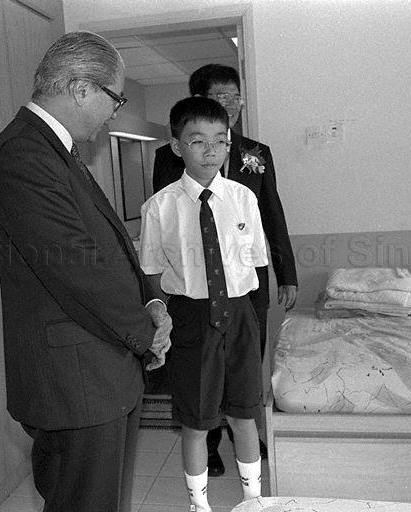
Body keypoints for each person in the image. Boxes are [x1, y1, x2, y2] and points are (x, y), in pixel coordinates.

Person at [0, 31, 172, 512]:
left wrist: (149, 303)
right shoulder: (24, 154)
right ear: (82, 88)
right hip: (77, 380)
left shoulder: (55, 150)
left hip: (98, 370)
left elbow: (104, 252)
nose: (115, 112)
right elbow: (76, 270)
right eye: (116, 98)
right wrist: (144, 333)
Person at [152, 63, 298, 476]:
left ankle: (242, 427)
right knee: (202, 367)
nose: (230, 105)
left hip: (246, 277)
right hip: (197, 282)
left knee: (245, 358)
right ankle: (209, 440)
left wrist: (287, 273)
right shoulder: (169, 155)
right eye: (220, 97)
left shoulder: (257, 153)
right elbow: (167, 216)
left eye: (235, 97)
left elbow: (273, 214)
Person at [139, 97, 268, 512]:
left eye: (220, 141)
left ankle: (253, 500)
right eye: (198, 141)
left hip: (239, 313)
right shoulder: (159, 208)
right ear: (177, 146)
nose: (211, 151)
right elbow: (153, 273)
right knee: (195, 422)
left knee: (245, 414)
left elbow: (256, 265)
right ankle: (200, 505)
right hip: (192, 318)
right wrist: (162, 317)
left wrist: (251, 319)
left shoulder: (244, 198)